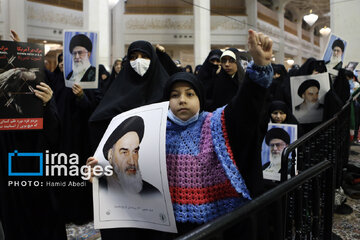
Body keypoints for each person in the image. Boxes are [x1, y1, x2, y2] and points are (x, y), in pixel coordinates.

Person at [87, 29, 274, 240]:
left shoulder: (216, 122)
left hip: (216, 224)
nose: (182, 100)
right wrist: (103, 171)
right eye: (175, 95)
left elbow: (245, 107)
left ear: (200, 99)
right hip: (166, 225)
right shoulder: (152, 131)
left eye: (190, 94)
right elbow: (129, 170)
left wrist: (258, 68)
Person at [89, 40, 169, 152]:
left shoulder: (166, 88)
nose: (138, 61)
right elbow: (99, 118)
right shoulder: (120, 87)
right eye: (134, 57)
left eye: (144, 56)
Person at [100, 116, 161, 196]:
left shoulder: (152, 193)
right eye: (124, 152)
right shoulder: (98, 186)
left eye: (135, 151)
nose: (132, 162)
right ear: (110, 155)